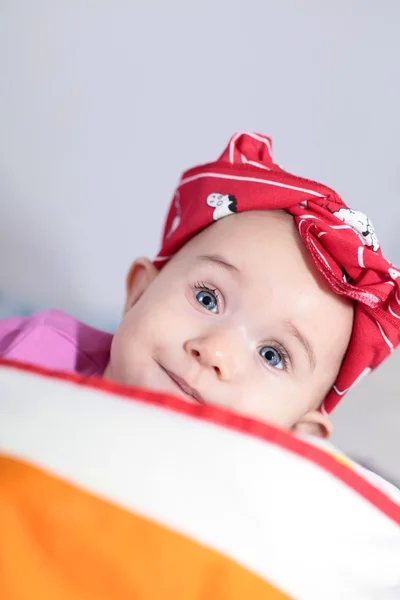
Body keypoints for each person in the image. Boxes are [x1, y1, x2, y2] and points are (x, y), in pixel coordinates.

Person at [1, 132, 399, 439]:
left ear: (297, 435)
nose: (215, 351)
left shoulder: (265, 517)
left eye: (272, 355)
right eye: (207, 298)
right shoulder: (33, 350)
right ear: (139, 292)